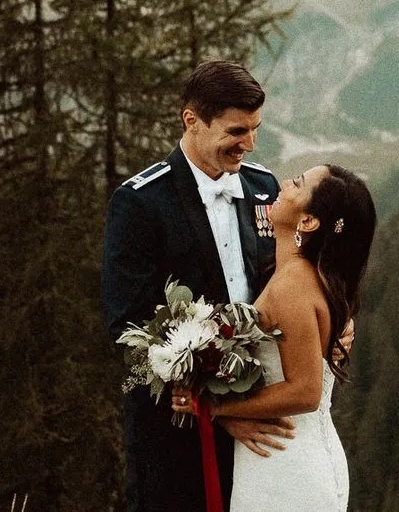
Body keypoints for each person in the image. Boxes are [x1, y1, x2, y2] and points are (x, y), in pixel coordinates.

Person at [102, 60, 294, 512]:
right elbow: (127, 322)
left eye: (255, 129)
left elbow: (287, 281)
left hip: (262, 414)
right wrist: (217, 411)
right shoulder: (140, 202)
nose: (248, 143)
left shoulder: (264, 188)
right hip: (175, 427)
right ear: (192, 120)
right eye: (236, 131)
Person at [172, 163, 376, 512]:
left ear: (308, 222)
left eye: (297, 184)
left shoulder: (294, 285)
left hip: (284, 466)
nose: (284, 183)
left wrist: (213, 406)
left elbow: (305, 391)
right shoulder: (302, 276)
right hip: (288, 457)